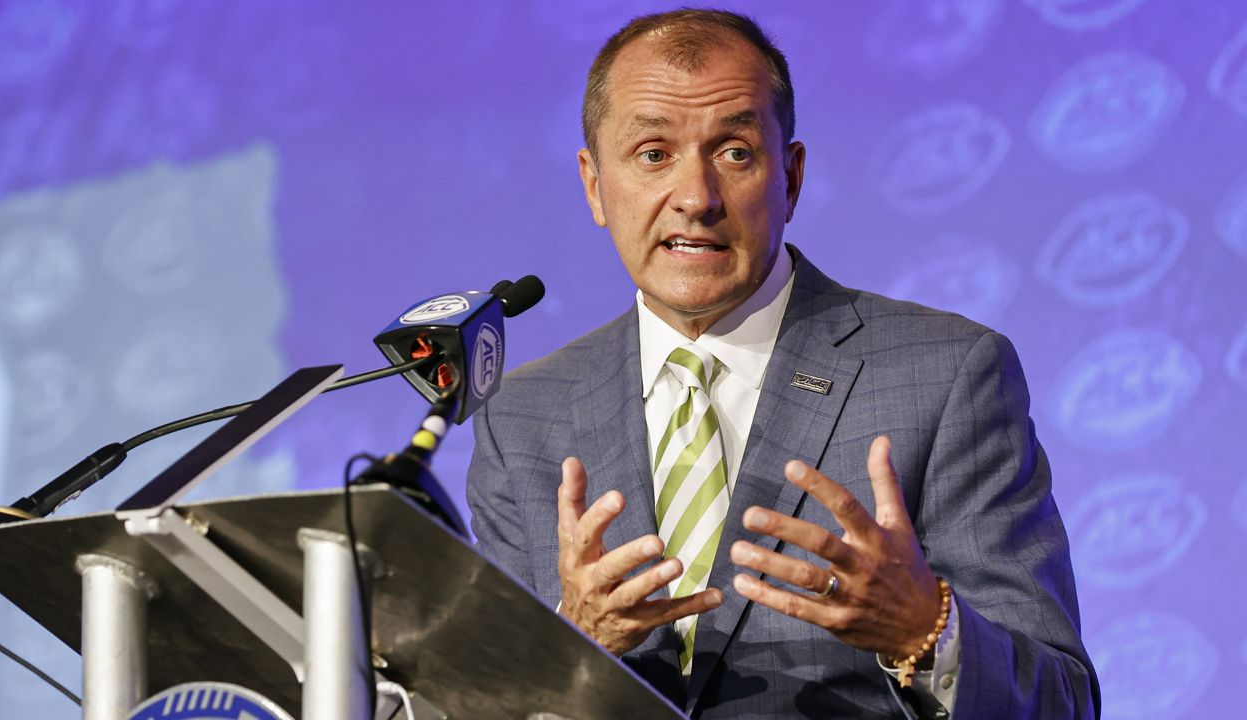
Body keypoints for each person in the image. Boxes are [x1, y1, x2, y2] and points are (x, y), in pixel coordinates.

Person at [467, 9, 1099, 718]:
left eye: (734, 152)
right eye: (652, 154)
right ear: (593, 185)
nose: (696, 198)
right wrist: (569, 643)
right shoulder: (523, 418)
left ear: (790, 178)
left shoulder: (948, 375)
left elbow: (1060, 701)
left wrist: (925, 628)